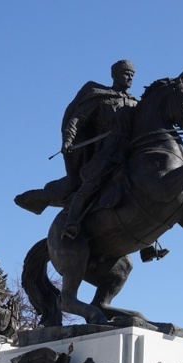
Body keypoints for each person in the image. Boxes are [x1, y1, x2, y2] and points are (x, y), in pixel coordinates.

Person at [60, 60, 139, 241]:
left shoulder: (135, 103)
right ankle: (70, 223)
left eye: (132, 75)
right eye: (126, 73)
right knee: (91, 185)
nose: (130, 78)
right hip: (108, 151)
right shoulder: (101, 98)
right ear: (115, 75)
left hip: (131, 151)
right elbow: (77, 120)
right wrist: (68, 140)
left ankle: (149, 243)